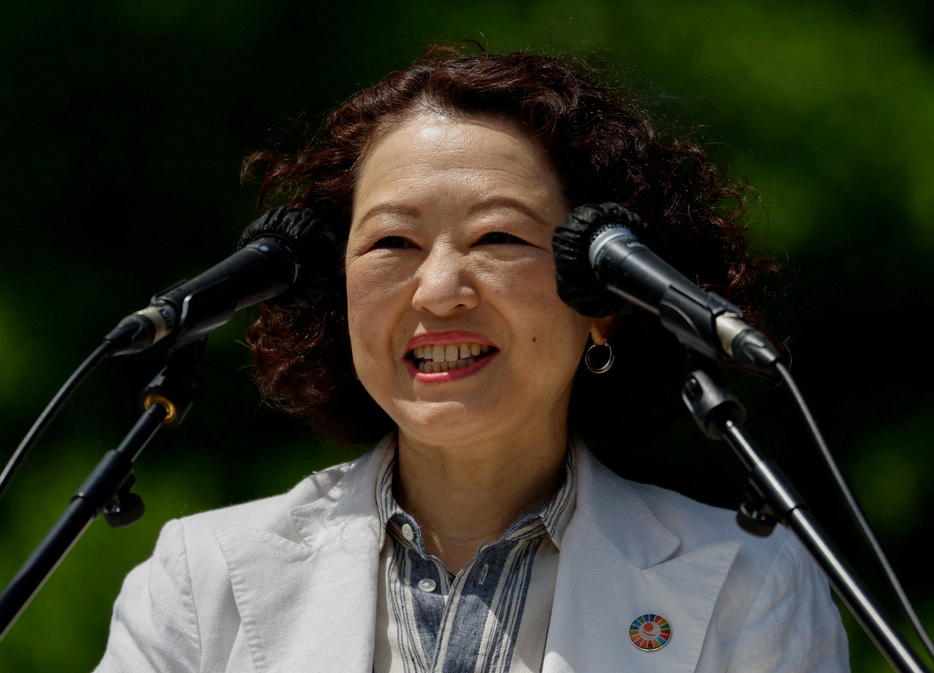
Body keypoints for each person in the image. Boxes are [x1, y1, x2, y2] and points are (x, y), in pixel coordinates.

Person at [94, 45, 850, 672]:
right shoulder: (200, 581)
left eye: (498, 238)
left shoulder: (750, 586)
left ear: (603, 301)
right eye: (393, 242)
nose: (440, 289)